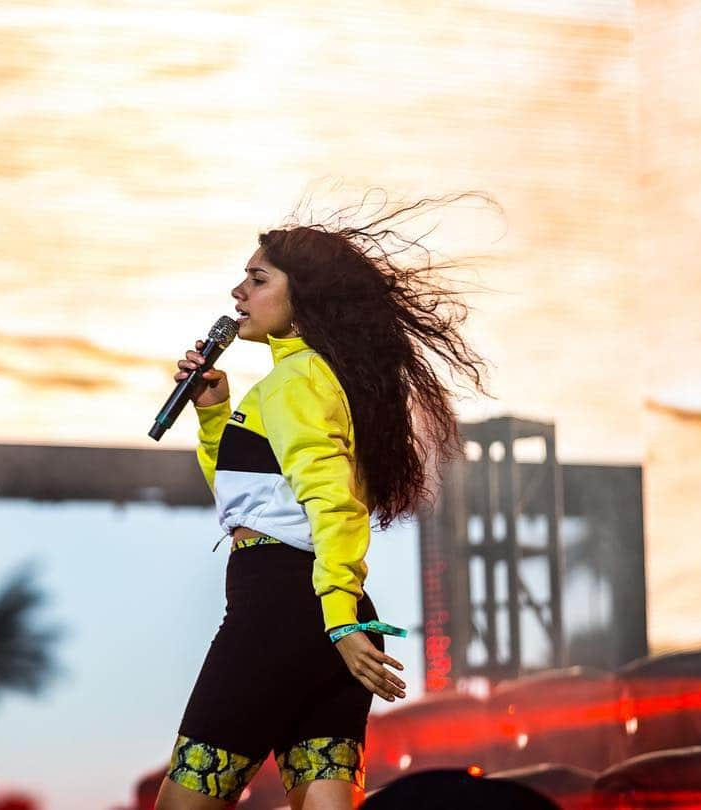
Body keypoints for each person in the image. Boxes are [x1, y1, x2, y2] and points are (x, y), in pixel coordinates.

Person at [154, 194, 492, 810]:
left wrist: (334, 616)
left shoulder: (295, 384)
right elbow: (253, 503)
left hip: (284, 610)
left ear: (302, 297)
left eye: (257, 280)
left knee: (184, 804)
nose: (238, 293)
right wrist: (212, 418)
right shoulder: (316, 379)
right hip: (330, 612)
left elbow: (333, 505)